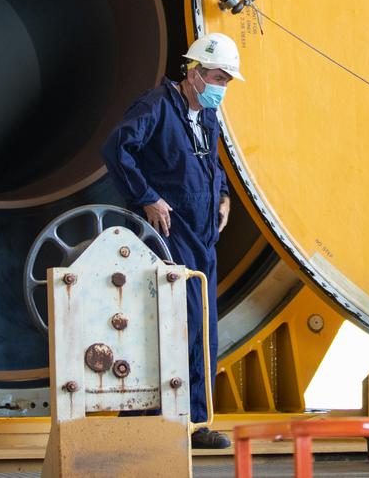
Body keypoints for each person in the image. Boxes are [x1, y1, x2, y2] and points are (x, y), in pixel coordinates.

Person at [101, 32, 243, 449]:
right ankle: (147, 422)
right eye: (218, 77)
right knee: (170, 325)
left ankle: (195, 422)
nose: (222, 87)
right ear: (195, 72)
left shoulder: (207, 117)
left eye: (227, 81)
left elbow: (211, 161)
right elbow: (117, 149)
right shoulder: (156, 107)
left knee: (202, 329)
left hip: (202, 236)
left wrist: (224, 196)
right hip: (170, 233)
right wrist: (147, 198)